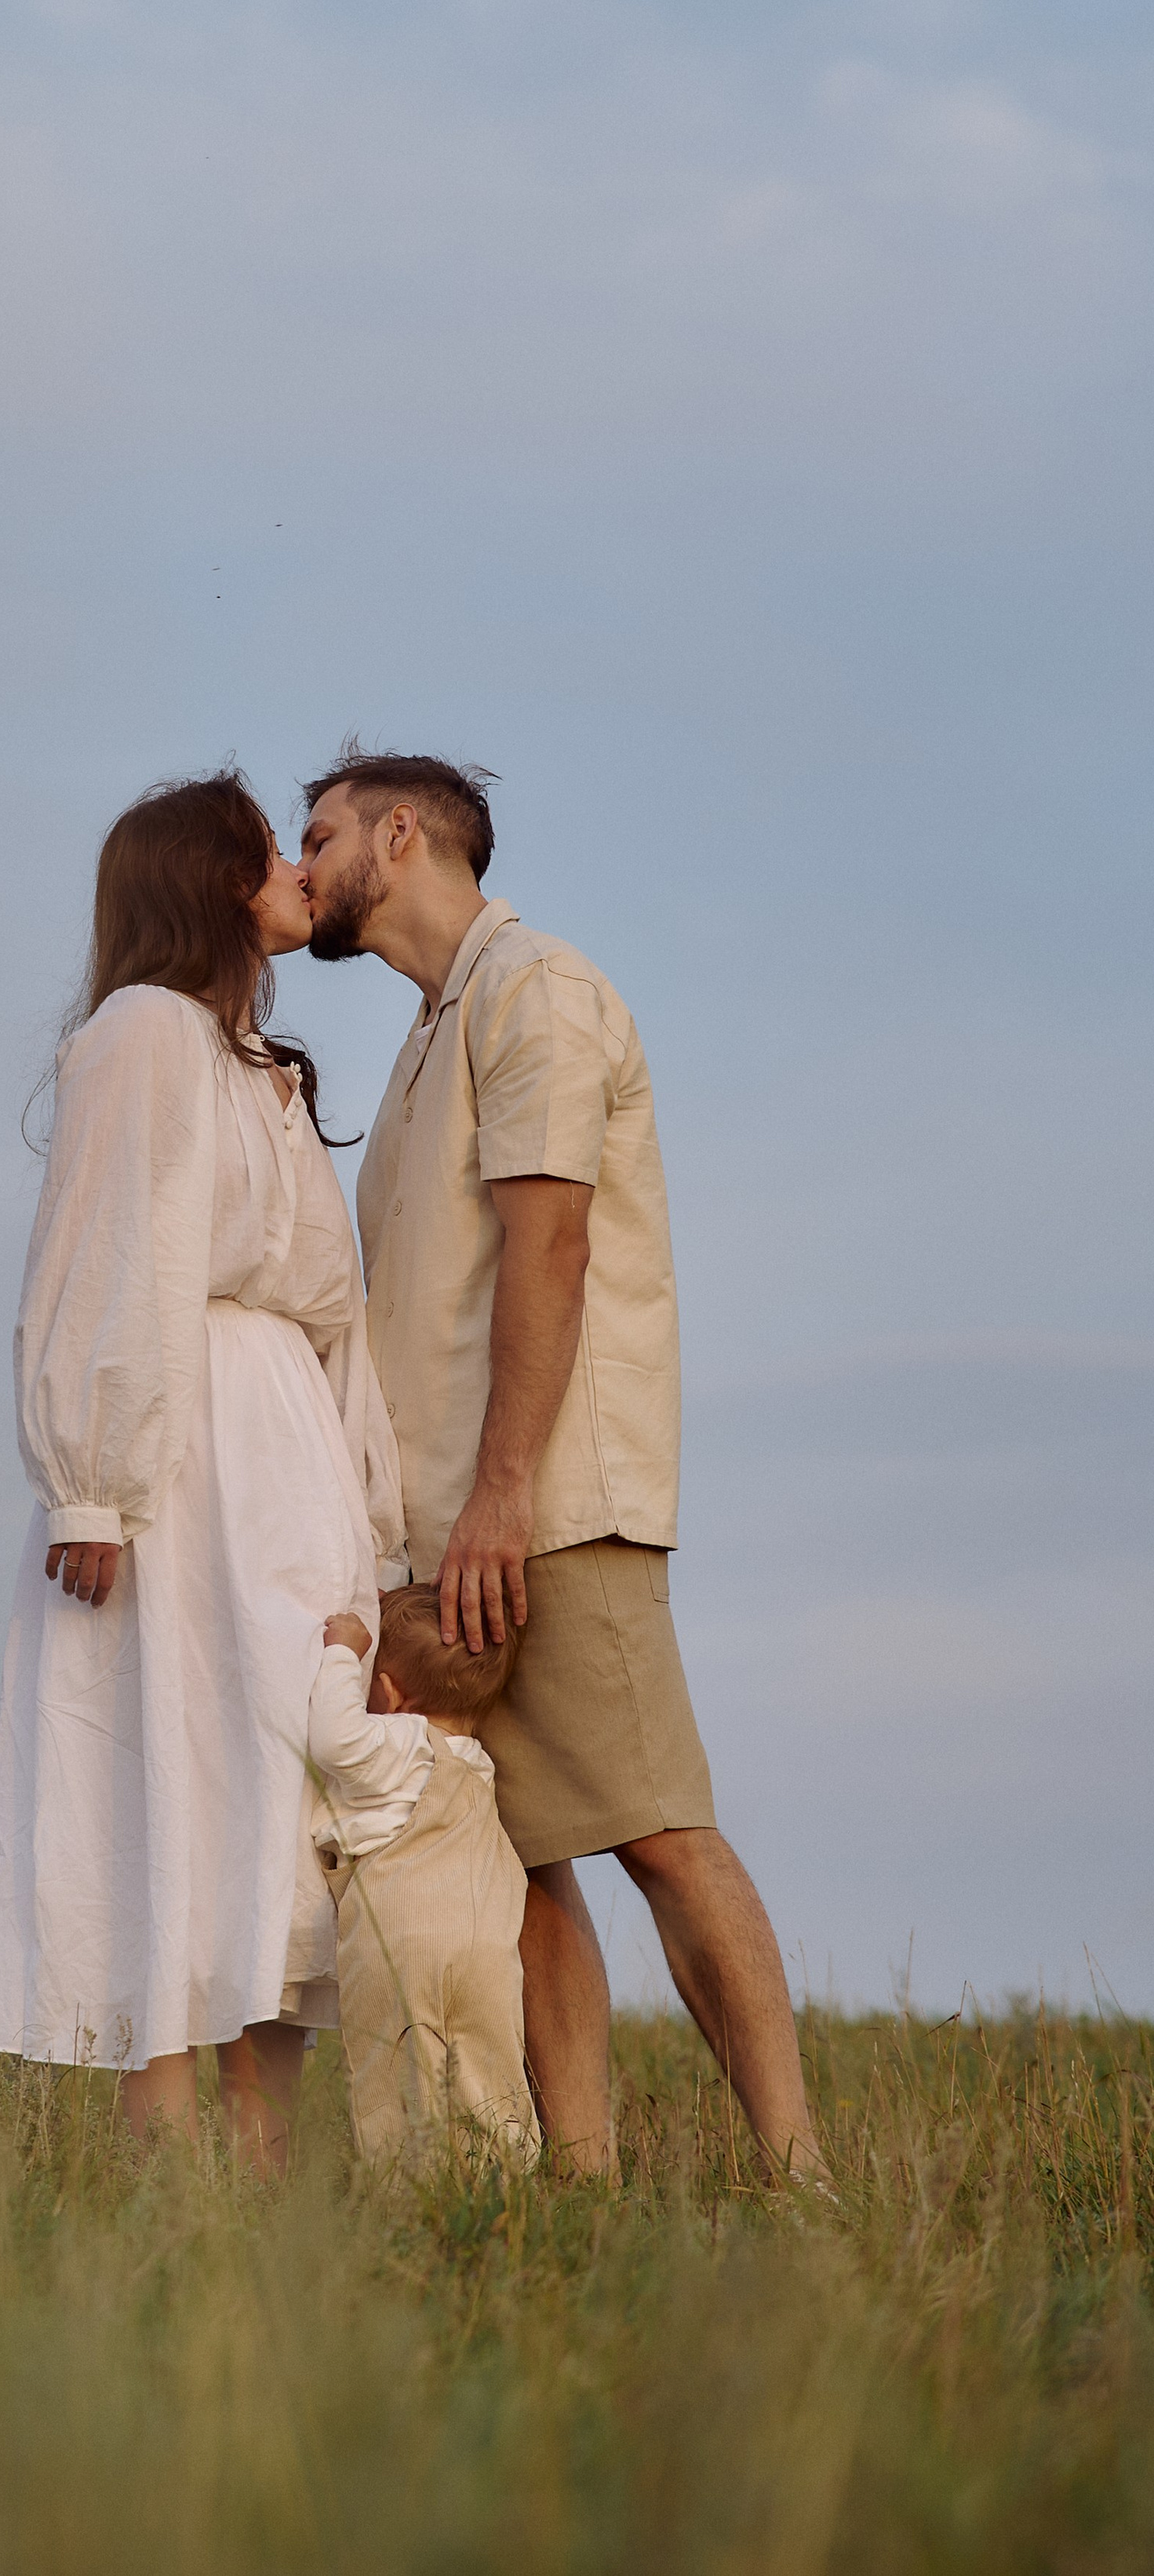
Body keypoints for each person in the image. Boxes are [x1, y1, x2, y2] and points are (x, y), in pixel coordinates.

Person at [299, 744, 821, 2179]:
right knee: (520, 1863)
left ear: (401, 836)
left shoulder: (539, 989)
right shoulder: (425, 1033)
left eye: (322, 831)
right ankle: (579, 2186)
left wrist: (507, 1493)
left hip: (546, 1508)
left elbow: (554, 1241)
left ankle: (803, 2180)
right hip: (447, 1529)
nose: (303, 860)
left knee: (656, 1831)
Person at [0, 771, 406, 2174]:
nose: (297, 869)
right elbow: (104, 1253)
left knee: (285, 1791)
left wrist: (368, 1523)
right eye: (274, 849)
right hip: (181, 1455)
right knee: (173, 1777)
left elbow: (338, 1317)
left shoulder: (261, 1068)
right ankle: (161, 2175)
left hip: (284, 1457)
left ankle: (258, 2167)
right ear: (213, 880)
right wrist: (93, 1482)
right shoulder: (142, 1035)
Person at [308, 1588, 538, 2174]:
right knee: (491, 2073)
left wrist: (340, 1653)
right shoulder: (478, 1762)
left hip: (401, 1943)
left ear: (387, 1693)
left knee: (398, 2079)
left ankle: (409, 2196)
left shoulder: (401, 1741)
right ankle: (504, 2190)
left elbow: (334, 1741)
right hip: (487, 1951)